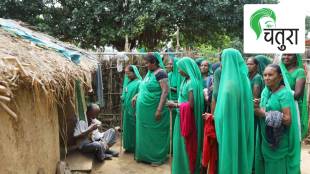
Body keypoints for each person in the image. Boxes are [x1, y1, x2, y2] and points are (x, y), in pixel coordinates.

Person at [254, 64, 301, 174]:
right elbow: (264, 108)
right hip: (265, 139)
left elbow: (288, 120)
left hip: (278, 142)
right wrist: (256, 107)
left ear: (280, 77)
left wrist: (264, 114)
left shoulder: (284, 94)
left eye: (270, 75)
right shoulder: (266, 92)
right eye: (264, 75)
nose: (266, 78)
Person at [214, 48, 254, 174]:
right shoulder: (244, 80)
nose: (221, 64)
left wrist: (216, 117)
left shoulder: (229, 84)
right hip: (241, 125)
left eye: (223, 60)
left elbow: (223, 112)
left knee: (230, 155)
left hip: (229, 127)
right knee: (240, 151)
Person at [167, 57, 204, 174]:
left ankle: (187, 170)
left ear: (186, 69)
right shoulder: (185, 81)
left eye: (180, 69)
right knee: (179, 146)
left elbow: (191, 105)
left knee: (186, 146)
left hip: (187, 119)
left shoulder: (192, 83)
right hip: (181, 117)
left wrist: (175, 105)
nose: (178, 71)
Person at [132, 52, 170, 165]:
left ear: (154, 62)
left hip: (154, 110)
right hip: (144, 112)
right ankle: (144, 155)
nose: (145, 65)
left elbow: (165, 91)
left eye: (147, 63)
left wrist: (159, 110)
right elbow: (144, 88)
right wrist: (136, 96)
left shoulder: (161, 73)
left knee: (155, 133)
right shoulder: (149, 74)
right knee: (144, 132)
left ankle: (156, 157)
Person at [280, 54, 308, 139]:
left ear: (296, 57)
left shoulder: (299, 71)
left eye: (290, 55)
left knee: (293, 136)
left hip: (293, 108)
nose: (286, 57)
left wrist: (279, 92)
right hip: (279, 106)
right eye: (284, 54)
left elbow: (297, 95)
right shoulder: (278, 70)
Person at [121, 65, 142, 152]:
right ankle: (128, 146)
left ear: (134, 72)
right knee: (127, 129)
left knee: (134, 128)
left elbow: (141, 94)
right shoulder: (129, 82)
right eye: (126, 73)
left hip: (134, 110)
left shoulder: (140, 83)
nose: (127, 75)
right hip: (127, 109)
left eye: (128, 73)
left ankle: (135, 147)